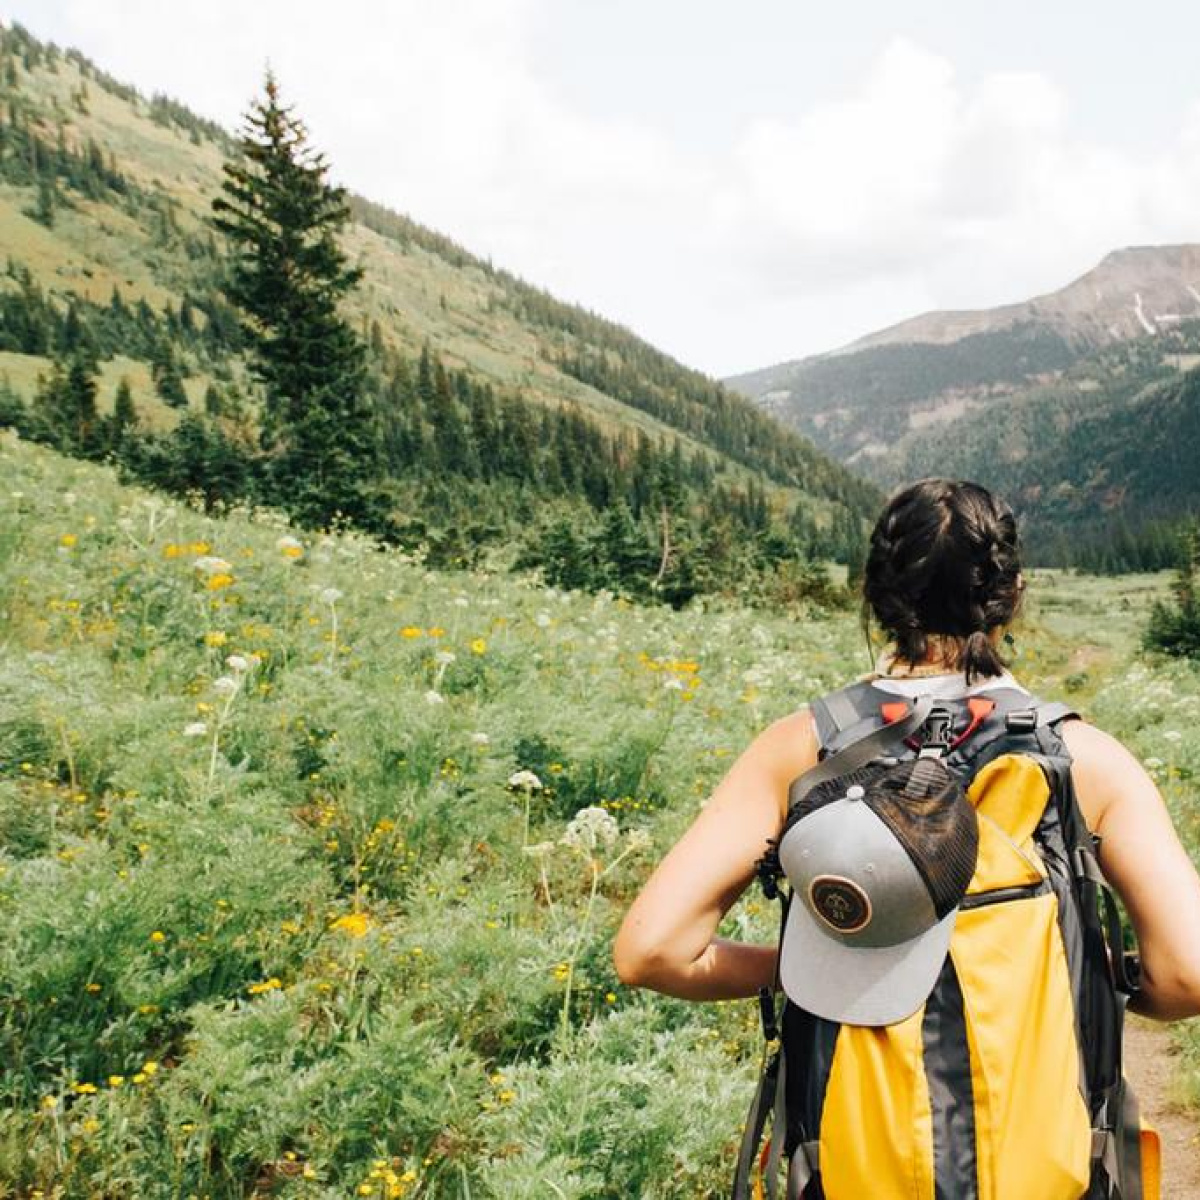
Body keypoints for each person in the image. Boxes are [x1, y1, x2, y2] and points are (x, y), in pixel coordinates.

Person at [613, 477, 1200, 1022]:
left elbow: (652, 951)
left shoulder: (802, 745)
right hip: (1042, 1130)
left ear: (875, 595)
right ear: (1013, 595)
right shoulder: (1084, 757)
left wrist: (805, 967)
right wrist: (1076, 971)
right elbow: (1187, 974)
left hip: (850, 1130)